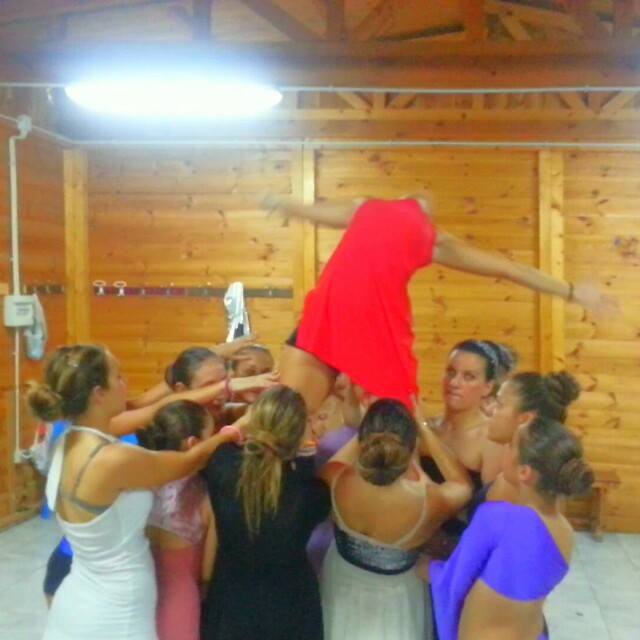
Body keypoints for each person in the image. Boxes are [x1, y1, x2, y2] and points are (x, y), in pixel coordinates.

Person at [263, 194, 617, 414]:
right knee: (284, 417)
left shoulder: (424, 234)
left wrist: (571, 291)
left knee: (392, 421)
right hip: (337, 321)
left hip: (368, 330)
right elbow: (509, 269)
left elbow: (509, 268)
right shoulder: (377, 212)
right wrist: (289, 205)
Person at [28, 344, 246, 640]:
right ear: (98, 394)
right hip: (116, 610)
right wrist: (234, 430)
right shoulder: (113, 459)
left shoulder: (68, 439)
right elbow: (187, 462)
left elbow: (151, 408)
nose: (125, 383)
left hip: (78, 596)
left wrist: (221, 382)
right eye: (118, 377)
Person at [429, 415, 594, 640]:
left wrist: (426, 567)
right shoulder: (565, 531)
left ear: (524, 472)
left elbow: (453, 583)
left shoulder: (498, 518)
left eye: (510, 445)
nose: (504, 448)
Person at [319, 399, 472, 640]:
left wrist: (368, 427)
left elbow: (337, 461)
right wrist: (424, 427)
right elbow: (463, 485)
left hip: (340, 583)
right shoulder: (429, 500)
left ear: (364, 440)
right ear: (411, 445)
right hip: (395, 598)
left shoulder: (335, 477)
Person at [201, 386, 331, 640]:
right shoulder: (309, 492)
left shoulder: (222, 464)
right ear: (298, 434)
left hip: (231, 602)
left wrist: (241, 423)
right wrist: (306, 449)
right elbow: (314, 474)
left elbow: (214, 446)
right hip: (290, 607)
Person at [138, 401, 218, 640]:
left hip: (138, 596)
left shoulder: (139, 484)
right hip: (181, 602)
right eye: (212, 436)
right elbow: (207, 572)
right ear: (194, 444)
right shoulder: (205, 496)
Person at [480, 370, 581, 508]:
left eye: (500, 404)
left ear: (525, 419)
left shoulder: (524, 487)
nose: (489, 410)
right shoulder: (515, 465)